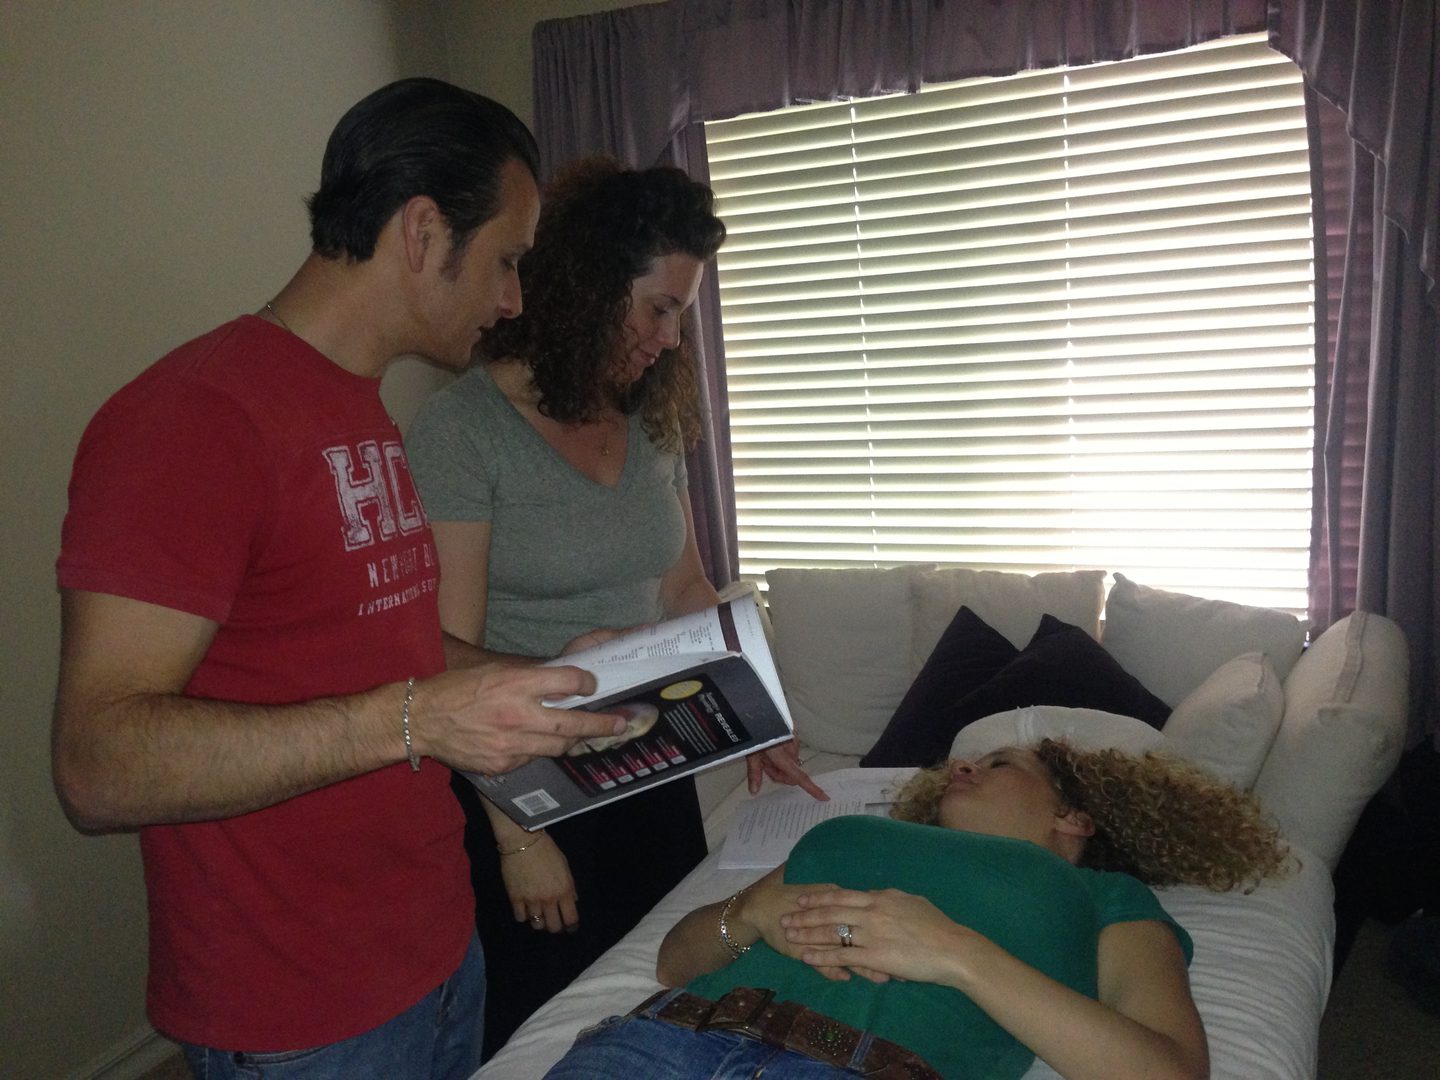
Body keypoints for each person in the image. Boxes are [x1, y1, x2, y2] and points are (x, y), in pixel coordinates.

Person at [52, 78, 635, 1080]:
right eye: (507, 261)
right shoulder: (191, 420)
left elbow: (378, 648)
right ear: (422, 231)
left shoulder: (358, 406)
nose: (514, 300)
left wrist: (530, 677)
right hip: (300, 1011)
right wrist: (414, 720)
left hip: (435, 951)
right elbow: (95, 767)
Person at [405, 156, 824, 1054]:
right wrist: (521, 839)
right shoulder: (463, 433)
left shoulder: (647, 419)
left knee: (665, 1006)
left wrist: (758, 715)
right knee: (546, 1035)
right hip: (527, 784)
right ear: (589, 286)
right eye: (659, 309)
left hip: (649, 765)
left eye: (682, 315)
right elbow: (443, 659)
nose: (670, 339)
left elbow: (685, 589)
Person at [541, 739, 1293, 1080]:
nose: (964, 764)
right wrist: (751, 912)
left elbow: (1167, 1070)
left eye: (1001, 763)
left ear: (1074, 818)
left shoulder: (1102, 894)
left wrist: (956, 953)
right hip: (662, 1044)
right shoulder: (858, 837)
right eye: (968, 759)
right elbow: (673, 961)